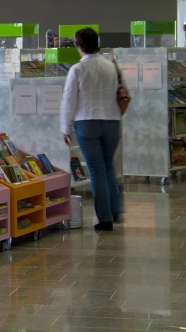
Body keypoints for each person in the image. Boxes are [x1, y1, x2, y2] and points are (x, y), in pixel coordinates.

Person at [60, 27, 127, 231]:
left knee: (96, 171)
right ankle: (115, 211)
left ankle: (104, 218)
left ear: (79, 46)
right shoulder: (111, 66)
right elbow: (122, 93)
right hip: (112, 121)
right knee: (108, 167)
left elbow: (69, 99)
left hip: (86, 122)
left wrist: (65, 127)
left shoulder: (77, 69)